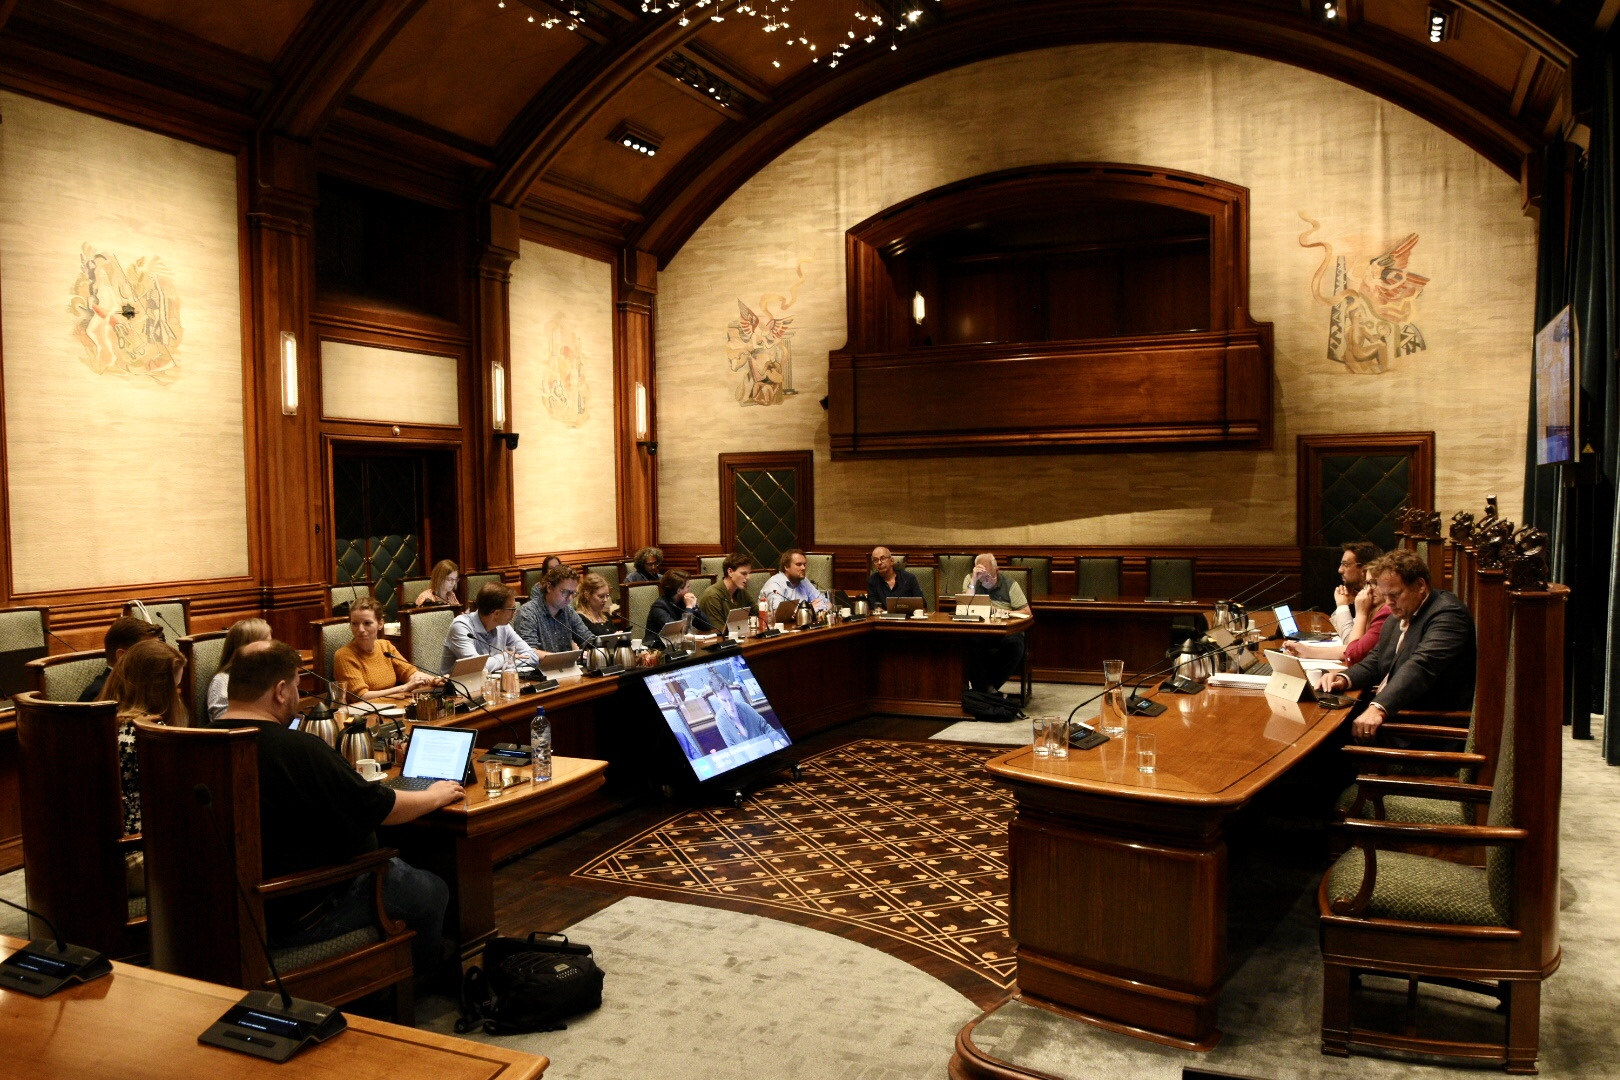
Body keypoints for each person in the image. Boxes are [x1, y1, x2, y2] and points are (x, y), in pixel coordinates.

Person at [217, 640, 461, 976]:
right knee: (431, 889)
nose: (298, 697)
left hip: (216, 910)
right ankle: (417, 986)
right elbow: (381, 809)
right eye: (298, 687)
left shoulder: (189, 742)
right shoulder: (298, 749)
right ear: (281, 690)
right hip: (300, 912)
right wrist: (436, 794)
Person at [1321, 548, 1477, 741]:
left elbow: (1421, 666)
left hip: (1422, 730)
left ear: (1420, 585)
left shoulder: (1448, 614)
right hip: (1394, 715)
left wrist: (1379, 707)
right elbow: (1376, 659)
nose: (1389, 602)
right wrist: (1344, 678)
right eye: (1385, 595)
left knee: (1325, 744)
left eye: (1395, 594)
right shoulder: (1400, 613)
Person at [105, 637, 187, 893]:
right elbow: (176, 801)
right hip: (135, 856)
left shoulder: (106, 719)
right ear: (157, 689)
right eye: (174, 689)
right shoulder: (147, 733)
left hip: (105, 855)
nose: (178, 695)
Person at [1286, 541, 1390, 666]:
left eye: (1346, 564)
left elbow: (1353, 652)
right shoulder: (1372, 603)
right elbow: (1352, 648)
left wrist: (1348, 609)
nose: (1340, 570)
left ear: (1363, 570)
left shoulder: (1386, 611)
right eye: (1368, 583)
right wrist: (1306, 651)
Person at [333, 598, 441, 700]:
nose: (360, 629)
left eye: (367, 623)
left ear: (380, 624)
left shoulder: (385, 646)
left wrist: (436, 680)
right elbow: (362, 696)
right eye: (355, 624)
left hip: (393, 707)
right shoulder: (343, 655)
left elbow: (410, 673)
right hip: (364, 715)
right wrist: (403, 688)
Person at [963, 554, 1030, 694]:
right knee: (967, 643)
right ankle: (987, 691)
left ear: (997, 570)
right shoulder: (971, 579)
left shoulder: (1010, 584)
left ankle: (984, 690)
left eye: (989, 576)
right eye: (983, 576)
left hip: (1005, 631)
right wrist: (975, 580)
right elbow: (964, 607)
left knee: (1015, 645)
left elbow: (1027, 612)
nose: (986, 580)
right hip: (981, 631)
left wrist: (1001, 612)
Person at [440, 582, 538, 675]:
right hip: (456, 689)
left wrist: (505, 663)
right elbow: (477, 668)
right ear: (496, 613)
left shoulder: (504, 626)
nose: (515, 612)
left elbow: (533, 656)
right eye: (512, 609)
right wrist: (506, 657)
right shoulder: (461, 626)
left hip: (493, 686)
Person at [513, 565, 600, 656]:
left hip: (567, 667)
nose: (570, 598)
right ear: (549, 587)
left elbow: (588, 640)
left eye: (573, 593)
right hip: (539, 669)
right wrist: (566, 658)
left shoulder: (568, 611)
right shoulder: (528, 612)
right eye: (565, 592)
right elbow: (528, 652)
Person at [79, 615, 163, 702]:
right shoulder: (99, 696)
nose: (158, 657)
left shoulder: (145, 686)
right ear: (122, 656)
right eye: (149, 652)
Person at [205, 617, 271, 721]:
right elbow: (226, 725)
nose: (271, 650)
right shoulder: (222, 681)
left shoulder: (267, 675)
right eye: (267, 644)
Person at [644, 569, 714, 648]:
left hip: (677, 648)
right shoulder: (659, 607)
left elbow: (707, 627)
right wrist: (689, 608)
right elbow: (682, 631)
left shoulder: (683, 601)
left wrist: (695, 608)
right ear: (679, 590)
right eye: (688, 587)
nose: (690, 590)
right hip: (656, 651)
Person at [759, 549, 830, 614]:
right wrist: (810, 608)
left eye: (804, 564)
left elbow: (827, 604)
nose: (803, 568)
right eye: (799, 564)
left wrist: (804, 611)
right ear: (786, 567)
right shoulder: (775, 584)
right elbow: (778, 613)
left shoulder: (804, 581)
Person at [699, 554, 753, 630]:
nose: (748, 578)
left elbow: (758, 614)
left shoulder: (741, 592)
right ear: (730, 572)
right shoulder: (712, 596)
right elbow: (718, 631)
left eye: (749, 573)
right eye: (744, 573)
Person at [573, 571, 620, 637]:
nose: (606, 600)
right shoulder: (579, 618)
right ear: (587, 595)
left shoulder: (605, 615)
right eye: (601, 596)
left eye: (607, 596)